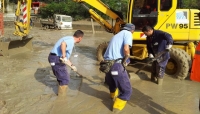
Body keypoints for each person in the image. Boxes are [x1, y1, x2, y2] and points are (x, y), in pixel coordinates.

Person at [103, 23, 135, 113]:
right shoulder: (128, 34)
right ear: (132, 30)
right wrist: (127, 58)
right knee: (127, 90)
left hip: (106, 65)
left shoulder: (116, 35)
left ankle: (112, 97)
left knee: (113, 84)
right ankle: (116, 109)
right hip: (116, 65)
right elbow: (126, 49)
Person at [48, 30, 84, 97]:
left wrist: (72, 66)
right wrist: (64, 56)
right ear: (80, 38)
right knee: (65, 79)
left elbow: (66, 58)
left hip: (54, 58)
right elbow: (63, 44)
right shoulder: (71, 41)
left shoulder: (69, 38)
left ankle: (59, 94)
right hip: (56, 59)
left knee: (61, 78)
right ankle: (62, 99)